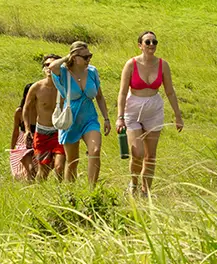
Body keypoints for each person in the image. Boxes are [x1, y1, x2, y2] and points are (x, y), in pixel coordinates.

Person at [116, 31, 184, 197]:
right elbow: (123, 92)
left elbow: (170, 92)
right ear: (140, 45)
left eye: (154, 42)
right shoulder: (131, 64)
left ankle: (146, 191)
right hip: (133, 110)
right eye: (148, 42)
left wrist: (178, 115)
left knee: (151, 155)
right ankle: (133, 183)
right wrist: (120, 117)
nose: (152, 45)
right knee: (137, 153)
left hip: (154, 110)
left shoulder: (163, 65)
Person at [45, 41, 111, 185]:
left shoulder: (92, 71)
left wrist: (106, 118)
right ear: (75, 58)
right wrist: (69, 55)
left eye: (90, 56)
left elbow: (99, 96)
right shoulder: (63, 72)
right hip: (71, 119)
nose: (89, 59)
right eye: (85, 57)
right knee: (72, 162)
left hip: (89, 118)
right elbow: (52, 66)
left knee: (95, 150)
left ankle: (92, 190)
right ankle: (71, 194)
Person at [23, 54, 66, 181]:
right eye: (46, 65)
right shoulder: (36, 87)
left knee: (59, 167)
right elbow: (26, 108)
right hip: (42, 133)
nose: (49, 68)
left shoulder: (65, 87)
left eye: (53, 64)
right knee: (43, 171)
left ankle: (63, 197)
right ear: (43, 69)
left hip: (60, 132)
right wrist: (26, 130)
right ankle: (38, 195)